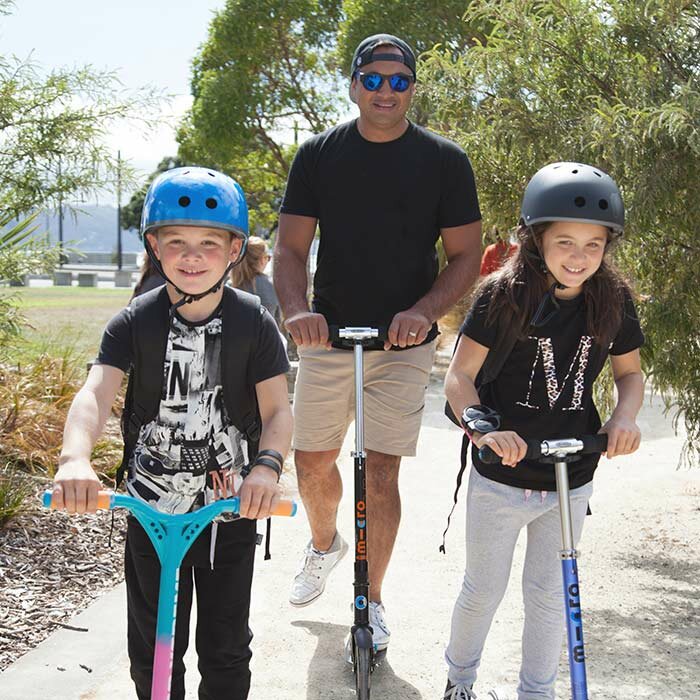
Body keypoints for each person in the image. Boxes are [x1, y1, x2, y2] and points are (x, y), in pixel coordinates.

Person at [274, 32, 482, 657]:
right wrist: (296, 311)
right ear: (354, 85)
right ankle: (322, 545)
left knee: (381, 471)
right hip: (328, 335)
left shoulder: (445, 161)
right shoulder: (318, 155)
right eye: (374, 79)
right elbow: (289, 248)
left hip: (402, 341)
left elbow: (466, 256)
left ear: (412, 87)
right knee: (311, 461)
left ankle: (372, 601)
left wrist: (422, 312)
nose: (386, 91)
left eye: (398, 80)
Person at [51, 167, 292, 700]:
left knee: (226, 646)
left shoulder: (254, 323)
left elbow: (277, 412)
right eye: (176, 241)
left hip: (229, 509)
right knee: (154, 647)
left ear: (233, 250)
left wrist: (266, 467)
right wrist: (75, 460)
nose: (192, 255)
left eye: (209, 242)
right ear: (154, 246)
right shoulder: (134, 322)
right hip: (152, 510)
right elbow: (95, 394)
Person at [442, 163, 644, 700]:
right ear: (536, 239)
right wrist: (483, 428)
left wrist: (624, 418)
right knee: (483, 590)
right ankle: (459, 681)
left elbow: (630, 374)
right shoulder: (503, 295)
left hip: (571, 473)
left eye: (593, 245)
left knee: (551, 595)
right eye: (565, 242)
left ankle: (537, 692)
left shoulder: (613, 300)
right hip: (502, 474)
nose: (579, 257)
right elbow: (459, 378)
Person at [230, 235, 281, 326]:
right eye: (267, 257)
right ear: (261, 259)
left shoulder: (228, 286)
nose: (268, 261)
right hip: (266, 338)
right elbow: (278, 323)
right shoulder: (272, 285)